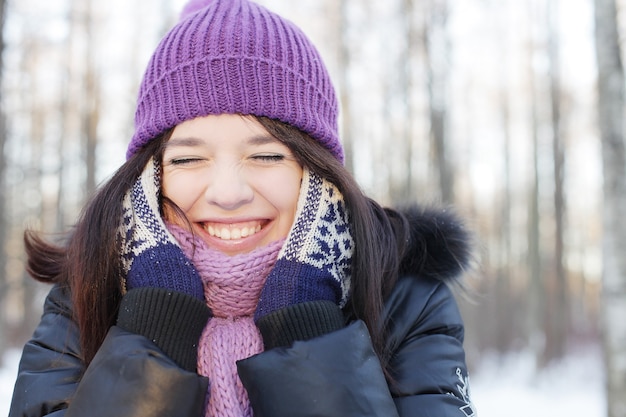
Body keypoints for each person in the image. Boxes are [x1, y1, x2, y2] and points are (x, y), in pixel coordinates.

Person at [9, 0, 477, 416]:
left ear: (316, 172)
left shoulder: (406, 302)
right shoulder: (89, 295)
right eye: (189, 158)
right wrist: (153, 329)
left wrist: (306, 331)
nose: (227, 192)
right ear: (150, 176)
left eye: (267, 155)